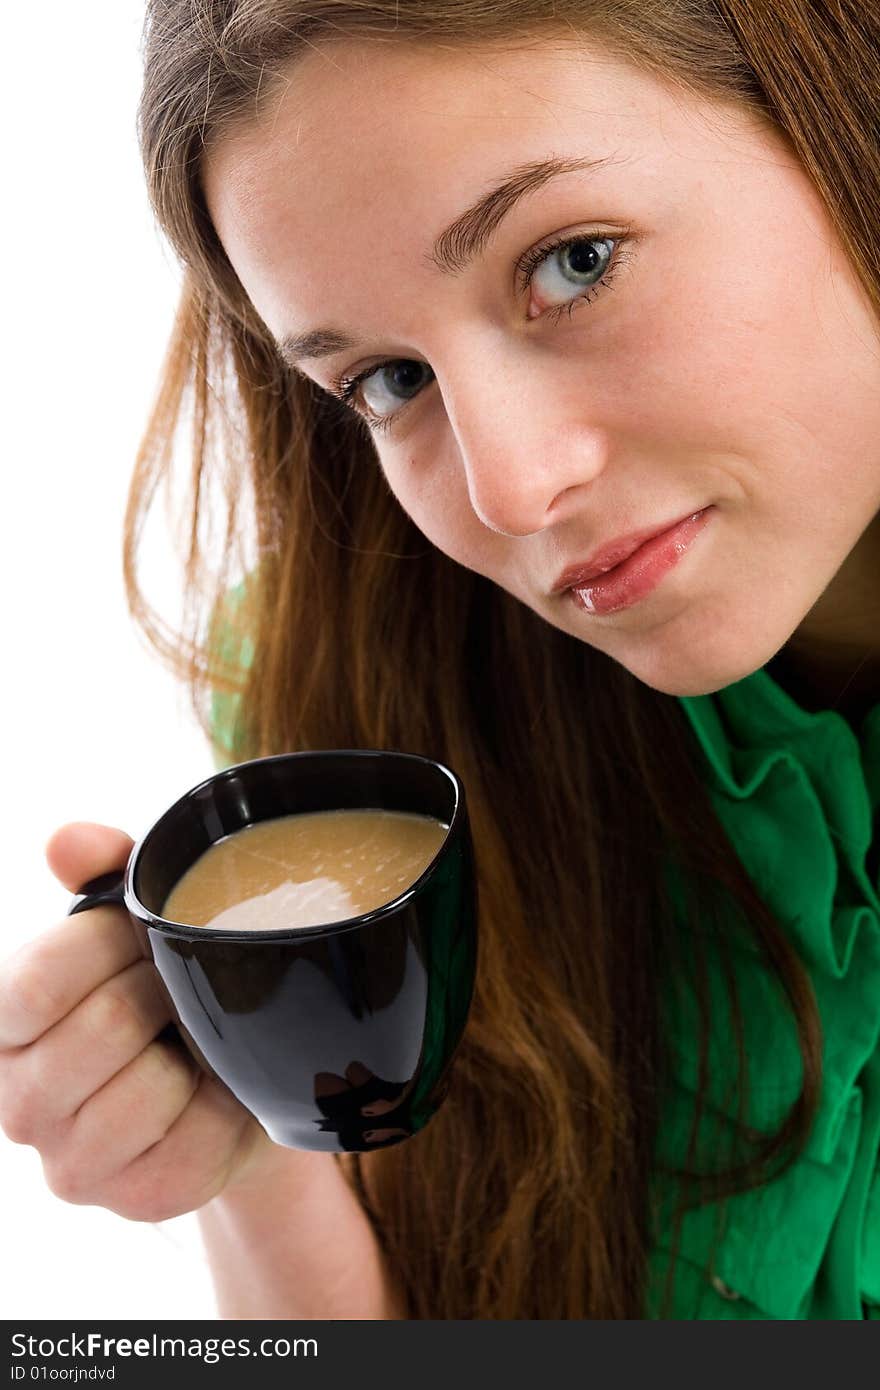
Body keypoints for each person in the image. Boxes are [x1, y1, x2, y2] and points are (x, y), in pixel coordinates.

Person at [2, 0, 879, 1320]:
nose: (511, 488)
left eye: (575, 261)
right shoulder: (378, 698)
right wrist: (256, 1143)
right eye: (390, 382)